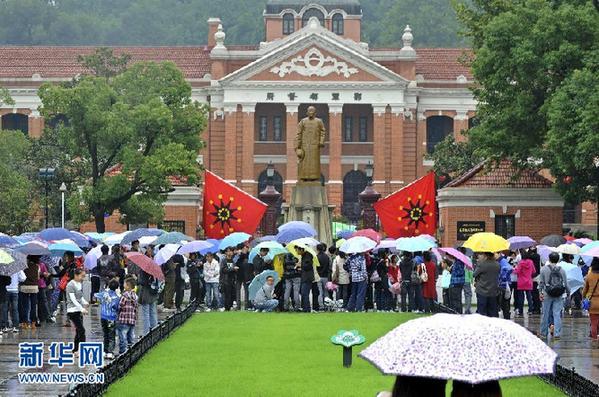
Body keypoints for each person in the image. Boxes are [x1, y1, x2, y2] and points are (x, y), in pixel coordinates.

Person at [539, 252, 569, 340]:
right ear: (558, 260)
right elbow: (566, 284)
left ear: (549, 259)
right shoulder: (562, 270)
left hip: (547, 293)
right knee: (557, 314)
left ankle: (543, 333)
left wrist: (540, 292)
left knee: (545, 314)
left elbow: (541, 283)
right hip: (559, 294)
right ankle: (557, 333)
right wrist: (568, 292)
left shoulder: (544, 269)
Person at [94, 279, 120, 359]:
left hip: (103, 317)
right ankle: (110, 352)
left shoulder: (104, 293)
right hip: (111, 318)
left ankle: (104, 351)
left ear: (108, 286)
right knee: (111, 336)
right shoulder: (116, 296)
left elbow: (95, 295)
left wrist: (105, 291)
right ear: (117, 288)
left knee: (105, 334)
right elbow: (117, 307)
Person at [66, 268, 88, 353]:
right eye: (82, 276)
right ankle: (82, 350)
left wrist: (85, 302)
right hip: (72, 310)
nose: (83, 278)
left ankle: (76, 349)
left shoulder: (79, 284)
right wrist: (82, 309)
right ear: (76, 275)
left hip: (78, 310)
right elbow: (73, 300)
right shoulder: (70, 285)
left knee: (79, 330)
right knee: (82, 330)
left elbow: (79, 297)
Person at [473, 252, 500, 317]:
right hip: (493, 291)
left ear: (485, 255)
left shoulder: (482, 264)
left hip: (482, 291)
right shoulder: (497, 264)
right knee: (492, 311)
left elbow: (474, 274)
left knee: (482, 312)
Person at [117, 277, 138, 354]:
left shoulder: (124, 296)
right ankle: (131, 350)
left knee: (122, 335)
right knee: (131, 336)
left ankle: (123, 352)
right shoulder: (135, 296)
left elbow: (120, 306)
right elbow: (136, 307)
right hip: (132, 319)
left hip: (123, 319)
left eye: (124, 284)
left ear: (128, 286)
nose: (123, 285)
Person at [138, 268, 160, 335]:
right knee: (153, 313)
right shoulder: (154, 268)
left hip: (146, 293)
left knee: (145, 314)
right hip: (153, 292)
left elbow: (142, 282)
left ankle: (146, 333)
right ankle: (155, 330)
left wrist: (138, 279)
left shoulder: (144, 269)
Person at [582, 258, 599, 343]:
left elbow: (585, 290)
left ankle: (594, 340)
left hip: (592, 302)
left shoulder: (589, 275)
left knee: (593, 323)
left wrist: (584, 297)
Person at [20, 256, 40, 329]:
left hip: (25, 287)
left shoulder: (24, 266)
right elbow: (38, 278)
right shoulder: (37, 266)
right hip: (34, 287)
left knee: (25, 305)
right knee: (33, 306)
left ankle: (25, 323)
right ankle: (33, 323)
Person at [297, 246, 315, 313]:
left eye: (297, 250)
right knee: (303, 293)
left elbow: (308, 266)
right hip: (304, 277)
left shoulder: (308, 255)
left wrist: (300, 265)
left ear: (301, 249)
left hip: (307, 278)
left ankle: (307, 309)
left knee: (305, 293)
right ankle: (305, 308)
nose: (297, 252)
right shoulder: (304, 256)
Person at [235, 245, 252, 310]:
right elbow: (236, 263)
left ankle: (247, 306)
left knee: (247, 291)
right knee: (237, 291)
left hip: (246, 276)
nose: (245, 250)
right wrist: (239, 255)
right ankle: (238, 306)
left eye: (246, 248)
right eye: (244, 248)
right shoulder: (238, 256)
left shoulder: (249, 256)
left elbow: (250, 265)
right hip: (239, 275)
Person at [497, 253, 513, 320]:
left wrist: (502, 276)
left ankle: (507, 319)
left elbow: (509, 269)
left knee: (504, 304)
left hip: (503, 286)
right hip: (500, 285)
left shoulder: (502, 260)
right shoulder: (499, 261)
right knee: (503, 304)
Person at [37, 259, 51, 325]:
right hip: (37, 285)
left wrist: (44, 274)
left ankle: (45, 317)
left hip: (41, 285)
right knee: (40, 302)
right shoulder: (38, 264)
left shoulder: (42, 264)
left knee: (42, 302)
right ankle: (43, 317)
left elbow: (46, 274)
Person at [528, 246, 542, 314]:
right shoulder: (537, 256)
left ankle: (536, 308)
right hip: (536, 276)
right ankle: (537, 308)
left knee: (534, 294)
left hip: (534, 277)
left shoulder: (534, 256)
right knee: (535, 293)